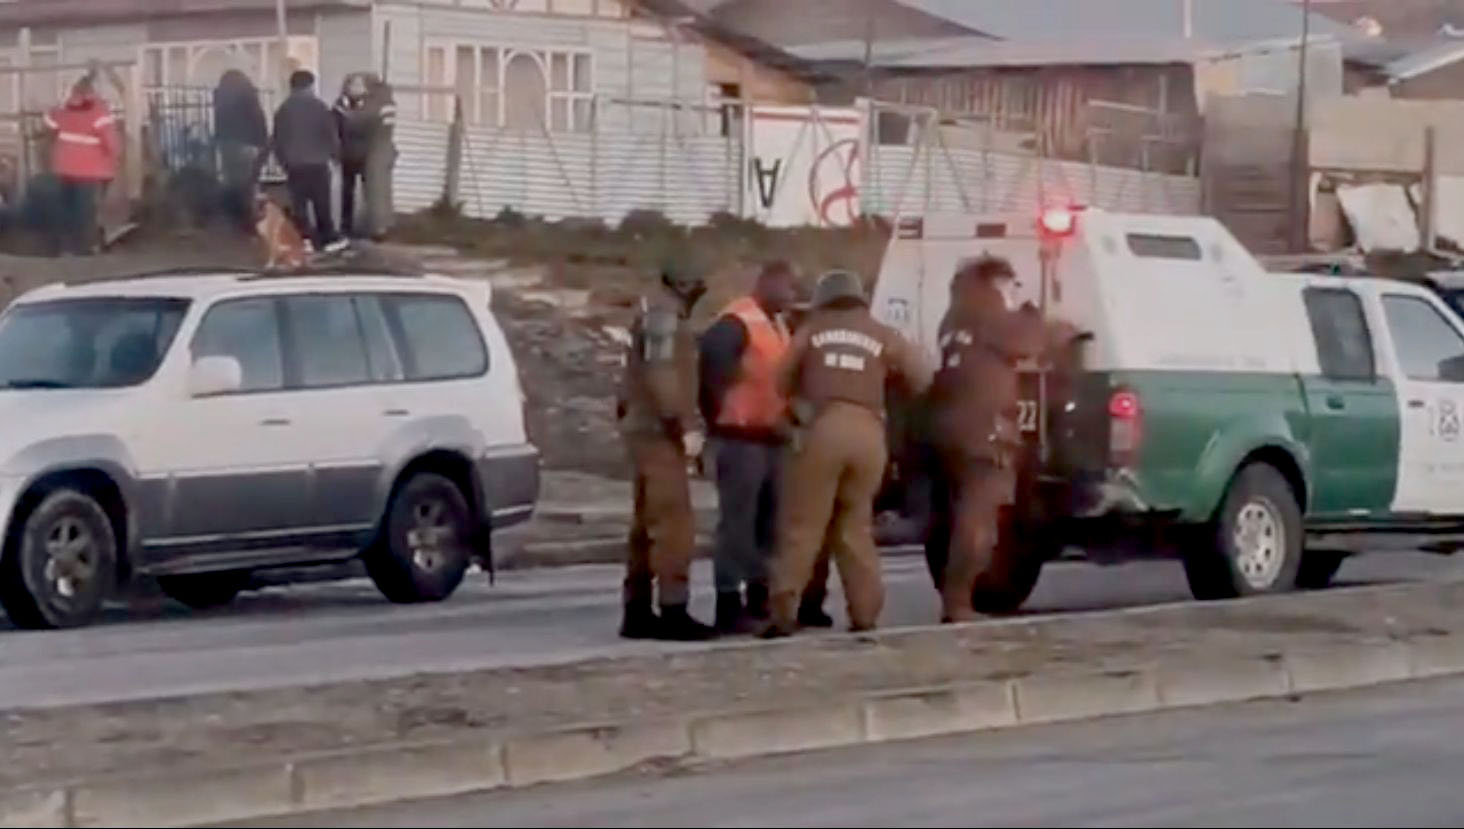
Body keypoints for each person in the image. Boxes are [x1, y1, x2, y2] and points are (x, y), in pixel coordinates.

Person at [761, 270, 931, 638]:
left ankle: (783, 612)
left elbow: (781, 380)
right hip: (869, 435)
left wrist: (801, 402)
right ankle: (865, 613)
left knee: (802, 526)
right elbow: (920, 377)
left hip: (822, 430)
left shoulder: (812, 329)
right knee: (856, 528)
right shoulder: (881, 333)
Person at [926, 255, 1044, 623]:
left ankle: (956, 597)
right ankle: (958, 603)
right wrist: (1031, 313)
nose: (1014, 292)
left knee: (962, 514)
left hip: (950, 428)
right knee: (978, 522)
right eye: (1011, 285)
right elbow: (1028, 343)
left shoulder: (955, 316)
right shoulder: (990, 313)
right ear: (996, 285)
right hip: (985, 433)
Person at [617, 266, 718, 641]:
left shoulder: (653, 315)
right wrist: (684, 426)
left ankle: (638, 610)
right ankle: (673, 610)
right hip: (660, 435)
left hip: (645, 432)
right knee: (674, 525)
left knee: (646, 527)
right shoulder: (664, 319)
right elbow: (662, 377)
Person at [698, 261, 797, 632]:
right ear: (767, 285)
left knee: (767, 527)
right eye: (788, 287)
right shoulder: (736, 323)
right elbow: (710, 374)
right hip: (740, 438)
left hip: (770, 438)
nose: (793, 295)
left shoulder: (778, 324)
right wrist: (717, 419)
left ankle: (759, 599)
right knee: (737, 526)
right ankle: (728, 603)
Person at [43, 76, 118, 256]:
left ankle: (65, 248)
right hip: (90, 170)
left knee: (66, 208)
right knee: (85, 210)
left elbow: (49, 122)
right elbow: (111, 143)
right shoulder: (99, 111)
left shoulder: (63, 111)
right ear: (93, 91)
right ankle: (86, 248)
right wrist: (114, 159)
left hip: (63, 168)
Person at [272, 70, 345, 253]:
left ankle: (303, 239)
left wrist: (284, 162)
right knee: (322, 205)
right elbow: (330, 134)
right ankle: (327, 239)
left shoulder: (284, 109)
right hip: (318, 164)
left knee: (300, 206)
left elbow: (278, 139)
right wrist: (335, 157)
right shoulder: (319, 107)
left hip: (295, 165)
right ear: (311, 86)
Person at [213, 69, 268, 233]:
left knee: (233, 181)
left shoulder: (221, 97)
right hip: (247, 143)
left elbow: (219, 123)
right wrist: (262, 142)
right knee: (249, 183)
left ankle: (236, 220)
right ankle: (249, 221)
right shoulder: (248, 94)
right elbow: (258, 118)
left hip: (228, 144)